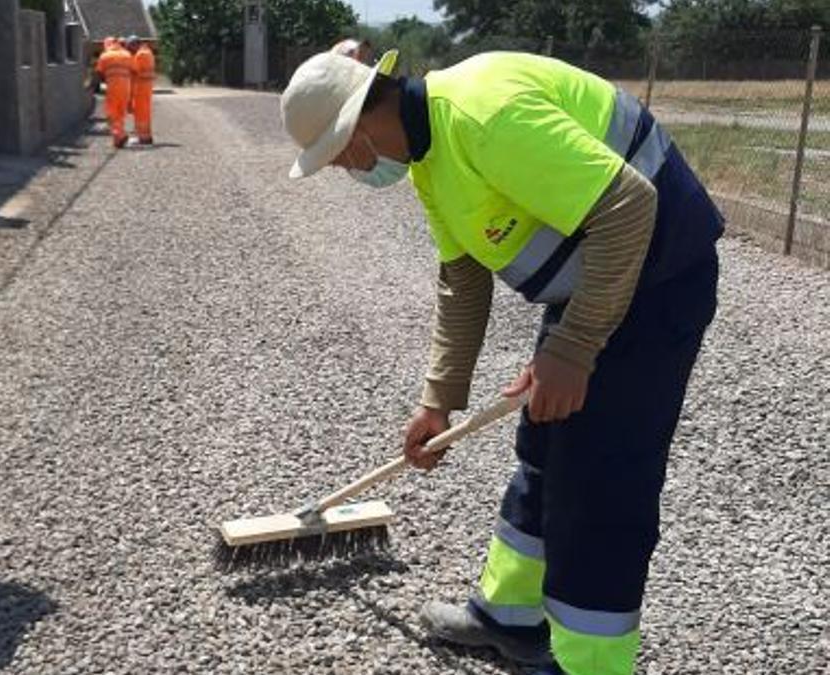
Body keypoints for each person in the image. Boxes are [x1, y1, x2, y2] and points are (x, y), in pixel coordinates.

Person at [280, 49, 722, 675]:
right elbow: (462, 278)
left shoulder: (481, 115)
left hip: (657, 281)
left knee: (599, 476)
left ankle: (587, 663)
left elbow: (629, 207)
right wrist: (439, 399)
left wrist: (572, 350)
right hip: (595, 286)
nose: (343, 169)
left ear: (353, 132)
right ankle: (508, 617)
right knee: (544, 444)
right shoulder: (429, 152)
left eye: (333, 155)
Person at [95, 36, 134, 148]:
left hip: (113, 88)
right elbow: (133, 70)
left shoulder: (105, 56)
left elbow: (98, 73)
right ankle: (118, 139)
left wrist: (92, 87)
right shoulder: (127, 54)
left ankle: (119, 135)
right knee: (121, 114)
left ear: (107, 45)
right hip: (126, 88)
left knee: (112, 114)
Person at [126, 36, 156, 145]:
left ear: (135, 44)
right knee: (145, 113)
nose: (130, 50)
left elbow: (133, 71)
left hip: (141, 88)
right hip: (146, 87)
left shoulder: (140, 54)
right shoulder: (148, 52)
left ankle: (142, 138)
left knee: (140, 113)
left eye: (130, 47)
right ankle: (146, 136)